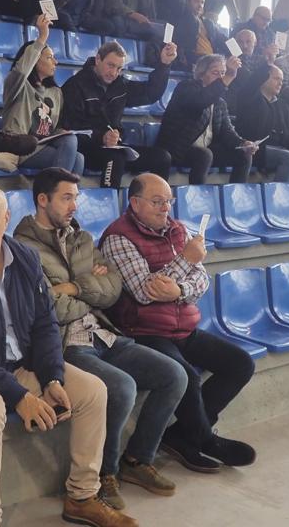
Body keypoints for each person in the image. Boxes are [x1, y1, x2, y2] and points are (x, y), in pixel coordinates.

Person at [0, 185, 134, 527]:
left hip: (15, 367)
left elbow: (45, 325)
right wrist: (19, 396)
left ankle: (81, 496)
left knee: (93, 390)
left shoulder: (25, 258)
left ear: (6, 218)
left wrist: (52, 377)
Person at [15, 168, 186, 510]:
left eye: (76, 198)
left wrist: (76, 287)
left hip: (105, 334)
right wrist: (90, 286)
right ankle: (105, 475)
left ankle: (136, 460)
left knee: (174, 376)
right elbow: (46, 309)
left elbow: (114, 288)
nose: (74, 205)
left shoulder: (81, 239)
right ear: (43, 200)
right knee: (120, 387)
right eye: (67, 198)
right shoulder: (22, 249)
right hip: (67, 344)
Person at [101, 174, 256, 474]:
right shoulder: (118, 237)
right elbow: (145, 292)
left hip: (182, 326)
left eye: (169, 201)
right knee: (185, 375)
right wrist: (185, 260)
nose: (165, 209)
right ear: (135, 203)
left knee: (240, 364)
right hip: (143, 330)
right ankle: (205, 440)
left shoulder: (178, 230)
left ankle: (182, 435)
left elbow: (201, 279)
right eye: (157, 202)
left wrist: (179, 290)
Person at [60, 40, 176, 189]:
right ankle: (109, 202)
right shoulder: (75, 85)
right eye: (110, 65)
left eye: (119, 68)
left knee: (162, 158)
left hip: (115, 147)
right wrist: (101, 136)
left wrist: (164, 64)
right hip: (85, 149)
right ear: (97, 60)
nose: (114, 73)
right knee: (116, 158)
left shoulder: (120, 85)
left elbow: (150, 93)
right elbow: (71, 128)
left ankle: (158, 203)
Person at [0, 13, 85, 174]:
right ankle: (56, 193)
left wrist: (61, 132)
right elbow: (21, 71)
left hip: (42, 146)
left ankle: (62, 195)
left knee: (79, 157)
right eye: (50, 57)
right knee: (71, 146)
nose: (56, 62)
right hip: (19, 146)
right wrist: (42, 37)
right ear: (35, 60)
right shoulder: (18, 85)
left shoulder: (55, 92)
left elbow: (48, 129)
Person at [158, 54, 259, 185]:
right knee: (204, 155)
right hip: (177, 148)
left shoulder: (220, 102)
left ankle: (237, 196)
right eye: (215, 72)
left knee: (244, 154)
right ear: (201, 74)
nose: (221, 78)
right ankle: (199, 197)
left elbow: (227, 132)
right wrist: (228, 76)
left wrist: (243, 143)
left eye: (223, 73)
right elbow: (200, 101)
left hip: (204, 150)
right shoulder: (186, 87)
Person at [171, 0, 229, 68]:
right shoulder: (180, 19)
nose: (200, 5)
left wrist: (239, 53)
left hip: (212, 60)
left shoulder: (208, 23)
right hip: (195, 61)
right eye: (196, 1)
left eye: (202, 2)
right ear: (188, 2)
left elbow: (224, 40)